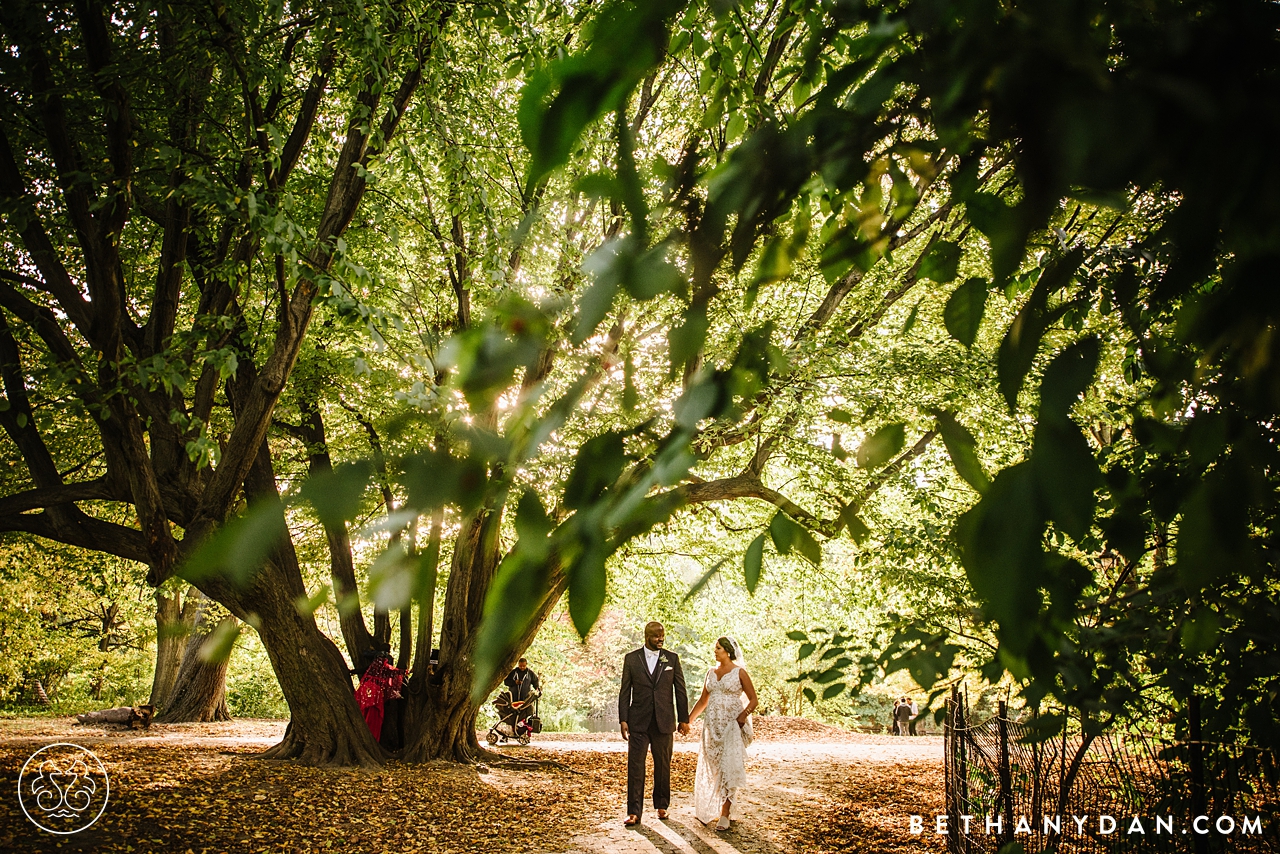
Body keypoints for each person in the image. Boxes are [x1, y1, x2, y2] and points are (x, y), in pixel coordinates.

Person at [619, 621, 689, 827]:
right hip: (638, 721)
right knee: (636, 767)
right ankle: (633, 812)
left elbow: (680, 690)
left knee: (663, 766)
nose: (660, 639)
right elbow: (625, 691)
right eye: (656, 636)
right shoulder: (631, 659)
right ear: (646, 636)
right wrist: (623, 719)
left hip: (664, 721)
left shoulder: (672, 659)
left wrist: (684, 719)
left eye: (662, 636)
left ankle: (662, 806)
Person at [688, 636, 758, 831]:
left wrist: (743, 716)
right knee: (715, 767)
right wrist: (688, 721)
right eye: (715, 648)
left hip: (732, 724)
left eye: (718, 648)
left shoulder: (739, 672)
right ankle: (720, 805)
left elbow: (753, 700)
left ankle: (725, 812)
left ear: (727, 651)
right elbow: (703, 701)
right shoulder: (711, 672)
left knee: (729, 765)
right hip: (712, 726)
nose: (715, 651)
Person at [355, 645, 402, 742]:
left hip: (367, 688)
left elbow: (365, 661)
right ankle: (371, 737)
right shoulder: (388, 662)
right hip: (376, 692)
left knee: (365, 710)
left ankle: (364, 735)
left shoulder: (376, 661)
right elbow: (394, 672)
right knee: (374, 714)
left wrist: (353, 671)